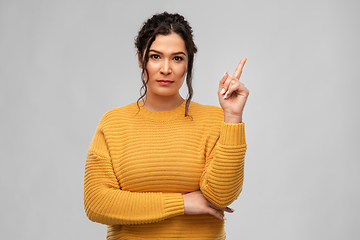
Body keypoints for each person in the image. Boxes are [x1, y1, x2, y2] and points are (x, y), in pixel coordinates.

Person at [84, 12, 249, 240]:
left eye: (177, 58)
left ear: (188, 63)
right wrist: (183, 202)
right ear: (142, 60)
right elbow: (97, 203)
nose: (166, 69)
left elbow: (221, 196)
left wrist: (232, 116)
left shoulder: (214, 120)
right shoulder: (114, 123)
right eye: (155, 56)